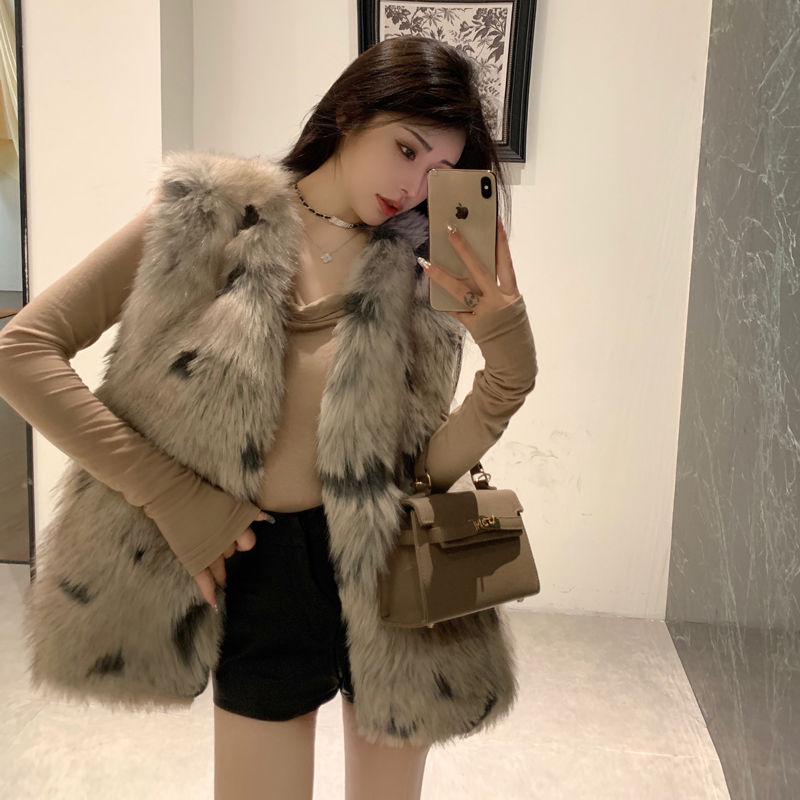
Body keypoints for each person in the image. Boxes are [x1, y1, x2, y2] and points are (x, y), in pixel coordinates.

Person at [0, 36, 537, 800]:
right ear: (351, 112)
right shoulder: (210, 214)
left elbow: (422, 471)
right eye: (406, 149)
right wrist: (172, 496)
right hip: (262, 566)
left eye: (441, 171)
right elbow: (21, 352)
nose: (416, 185)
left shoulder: (421, 269)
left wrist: (509, 363)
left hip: (392, 563)